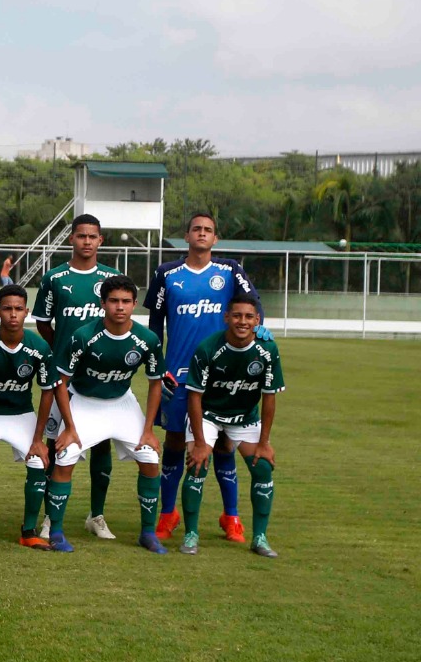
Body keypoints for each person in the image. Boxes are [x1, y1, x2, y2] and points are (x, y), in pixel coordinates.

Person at [144, 213, 269, 544]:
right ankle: (168, 515)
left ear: (216, 238)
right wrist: (158, 363)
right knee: (173, 443)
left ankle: (231, 518)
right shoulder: (166, 274)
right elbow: (155, 323)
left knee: (224, 444)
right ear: (186, 236)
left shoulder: (229, 271)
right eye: (196, 229)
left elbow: (254, 307)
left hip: (222, 374)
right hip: (179, 374)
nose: (202, 234)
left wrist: (260, 330)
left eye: (208, 230)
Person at [48, 275, 166, 554]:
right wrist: (69, 426)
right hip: (85, 401)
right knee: (64, 458)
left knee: (150, 457)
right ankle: (55, 531)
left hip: (121, 402)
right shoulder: (84, 336)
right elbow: (60, 383)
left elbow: (155, 383)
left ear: (135, 304)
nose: (120, 307)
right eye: (113, 301)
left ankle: (147, 533)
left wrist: (148, 429)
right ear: (103, 303)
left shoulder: (147, 339)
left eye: (126, 301)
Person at [31, 213, 123, 540]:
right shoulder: (55, 278)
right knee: (56, 445)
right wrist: (61, 350)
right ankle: (48, 517)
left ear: (100, 241)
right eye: (81, 236)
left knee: (101, 446)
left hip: (101, 376)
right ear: (71, 239)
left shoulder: (113, 278)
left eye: (92, 236)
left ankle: (96, 515)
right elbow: (43, 322)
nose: (87, 241)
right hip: (64, 377)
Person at [0, 285, 67, 550]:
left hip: (20, 414)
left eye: (18, 309)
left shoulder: (39, 347)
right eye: (7, 308)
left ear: (27, 312)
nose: (13, 314)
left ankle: (28, 531)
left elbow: (47, 392)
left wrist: (39, 439)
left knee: (39, 462)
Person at [180, 295, 284, 557]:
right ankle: (191, 534)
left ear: (257, 320)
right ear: (226, 317)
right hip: (208, 415)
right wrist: (201, 443)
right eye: (237, 316)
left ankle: (259, 537)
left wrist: (265, 443)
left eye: (249, 317)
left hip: (244, 417)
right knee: (197, 464)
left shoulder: (267, 350)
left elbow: (269, 397)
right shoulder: (208, 349)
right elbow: (194, 396)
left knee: (262, 468)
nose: (242, 321)